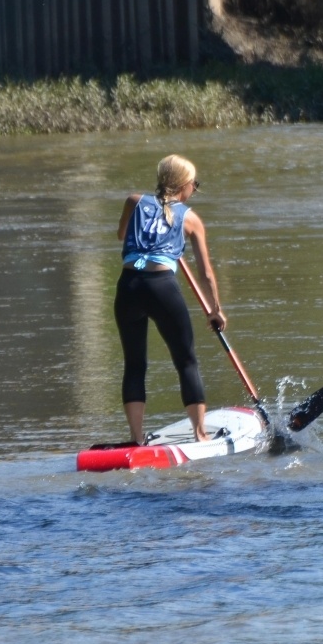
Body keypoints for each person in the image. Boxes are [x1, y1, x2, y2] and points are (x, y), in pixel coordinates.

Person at [114, 154, 227, 445]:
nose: (194, 190)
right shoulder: (191, 219)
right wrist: (215, 310)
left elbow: (122, 236)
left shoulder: (133, 201)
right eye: (194, 185)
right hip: (161, 287)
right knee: (186, 361)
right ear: (184, 185)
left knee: (135, 364)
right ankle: (200, 435)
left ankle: (136, 438)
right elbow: (207, 274)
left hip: (128, 287)